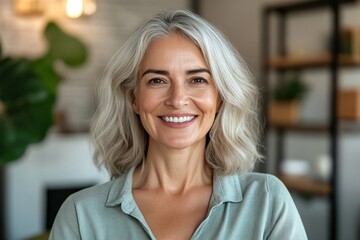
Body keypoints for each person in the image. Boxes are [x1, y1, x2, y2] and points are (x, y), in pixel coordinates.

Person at [49, 9, 307, 240]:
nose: (177, 99)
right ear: (134, 98)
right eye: (157, 81)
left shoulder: (266, 201)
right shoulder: (80, 214)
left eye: (197, 80)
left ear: (219, 98)